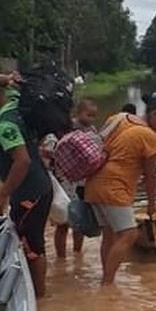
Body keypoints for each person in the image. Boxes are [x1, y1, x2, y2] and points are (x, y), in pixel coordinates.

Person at [0, 72, 51, 298]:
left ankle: (40, 299)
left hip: (30, 193)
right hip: (39, 189)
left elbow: (22, 161)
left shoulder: (5, 124)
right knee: (29, 241)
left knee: (33, 247)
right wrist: (1, 79)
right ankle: (37, 292)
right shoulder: (14, 103)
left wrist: (1, 196)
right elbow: (9, 82)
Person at [84, 94, 156, 285]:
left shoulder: (117, 118)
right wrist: (152, 205)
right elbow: (151, 177)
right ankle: (107, 283)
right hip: (114, 187)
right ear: (154, 114)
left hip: (93, 184)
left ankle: (106, 277)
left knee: (109, 233)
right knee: (129, 234)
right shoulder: (149, 136)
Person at [41, 98, 99, 259]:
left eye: (94, 116)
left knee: (79, 221)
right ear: (77, 113)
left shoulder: (92, 132)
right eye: (88, 115)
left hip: (83, 183)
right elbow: (46, 152)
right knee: (63, 223)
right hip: (64, 182)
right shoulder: (63, 130)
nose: (91, 119)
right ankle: (61, 258)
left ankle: (77, 254)